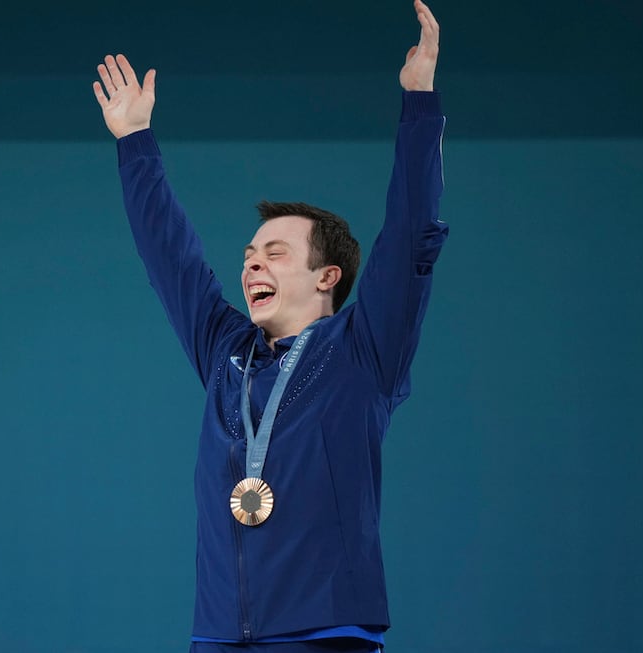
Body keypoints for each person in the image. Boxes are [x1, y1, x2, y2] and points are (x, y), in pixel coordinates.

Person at [92, 2, 447, 651]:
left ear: (327, 276)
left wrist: (419, 103)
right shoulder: (228, 353)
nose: (253, 261)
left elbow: (409, 231)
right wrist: (134, 141)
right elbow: (171, 259)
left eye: (275, 252)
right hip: (220, 635)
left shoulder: (365, 351)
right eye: (250, 254)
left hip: (324, 631)